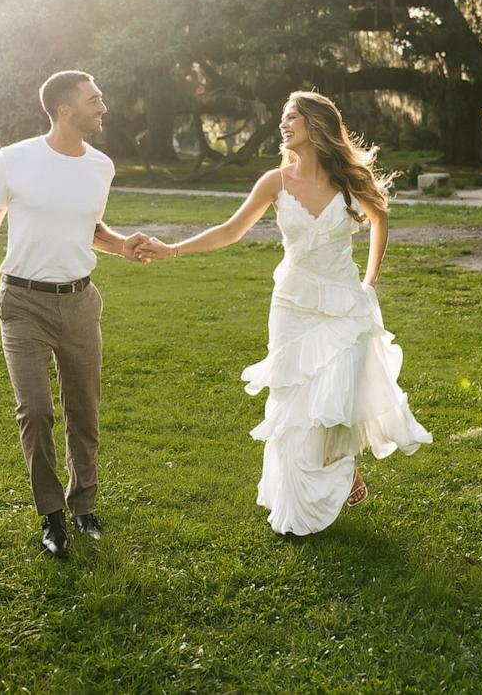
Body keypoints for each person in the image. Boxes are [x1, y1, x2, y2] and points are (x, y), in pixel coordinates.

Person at [138, 92, 431, 536]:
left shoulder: (349, 181)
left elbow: (380, 217)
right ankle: (299, 501)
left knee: (335, 399)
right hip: (292, 305)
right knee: (295, 405)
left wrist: (369, 282)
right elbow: (231, 230)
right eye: (282, 117)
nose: (283, 124)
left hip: (342, 307)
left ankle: (340, 467)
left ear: (315, 126)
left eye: (291, 117)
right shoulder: (274, 182)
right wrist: (172, 250)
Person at [0, 70, 149, 559]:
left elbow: (90, 226)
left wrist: (121, 245)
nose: (103, 107)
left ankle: (83, 507)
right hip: (22, 304)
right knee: (36, 410)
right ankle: (52, 516)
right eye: (94, 99)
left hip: (81, 302)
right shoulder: (15, 160)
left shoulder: (101, 165)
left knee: (84, 410)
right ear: (66, 110)